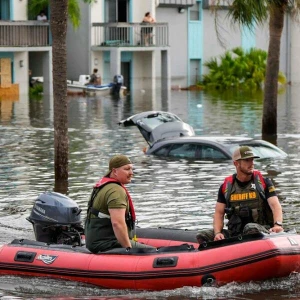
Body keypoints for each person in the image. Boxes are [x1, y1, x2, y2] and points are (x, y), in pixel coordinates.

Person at [196, 146, 284, 244]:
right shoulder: (226, 187)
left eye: (252, 160)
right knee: (202, 235)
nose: (252, 163)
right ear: (236, 163)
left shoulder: (263, 183)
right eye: (247, 160)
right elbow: (219, 213)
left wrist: (277, 225)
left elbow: (275, 206)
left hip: (261, 230)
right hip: (235, 233)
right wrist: (217, 233)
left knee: (250, 228)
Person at [85, 155, 154, 253]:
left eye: (131, 169)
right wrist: (129, 249)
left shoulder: (104, 186)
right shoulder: (116, 191)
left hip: (96, 241)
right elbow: (117, 223)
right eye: (127, 169)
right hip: (106, 243)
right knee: (152, 251)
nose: (131, 173)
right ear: (114, 171)